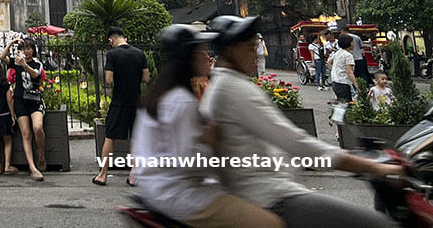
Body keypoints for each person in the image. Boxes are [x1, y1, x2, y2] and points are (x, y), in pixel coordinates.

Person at [201, 15, 401, 227]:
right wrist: (371, 167)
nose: (256, 54)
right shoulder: (234, 90)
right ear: (230, 50)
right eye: (250, 48)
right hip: (271, 196)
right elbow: (297, 143)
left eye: (256, 47)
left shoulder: (223, 85)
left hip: (268, 190)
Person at [133, 25, 284, 228]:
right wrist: (212, 140)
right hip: (181, 194)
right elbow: (190, 163)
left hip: (158, 188)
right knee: (270, 223)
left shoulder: (159, 96)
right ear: (187, 58)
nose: (207, 56)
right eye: (201, 52)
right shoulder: (182, 102)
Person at [94, 26, 149, 186]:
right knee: (136, 137)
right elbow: (146, 78)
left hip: (119, 101)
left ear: (110, 40)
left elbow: (109, 79)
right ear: (125, 37)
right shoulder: (140, 53)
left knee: (110, 136)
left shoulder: (112, 54)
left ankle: (103, 174)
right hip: (136, 101)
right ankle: (133, 175)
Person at [1, 37, 46, 181]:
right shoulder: (16, 62)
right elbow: (2, 57)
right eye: (24, 48)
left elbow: (35, 74)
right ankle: (33, 167)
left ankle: (40, 152)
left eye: (29, 48)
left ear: (33, 49)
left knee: (37, 127)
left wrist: (24, 65)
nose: (26, 51)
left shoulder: (37, 63)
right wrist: (12, 42)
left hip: (34, 100)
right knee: (26, 134)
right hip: (20, 102)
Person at [328, 34, 357, 103]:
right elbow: (349, 72)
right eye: (352, 42)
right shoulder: (348, 55)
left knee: (341, 103)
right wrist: (357, 85)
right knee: (347, 104)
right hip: (344, 83)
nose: (353, 44)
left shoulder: (338, 52)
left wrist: (335, 71)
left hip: (335, 81)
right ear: (348, 43)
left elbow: (329, 62)